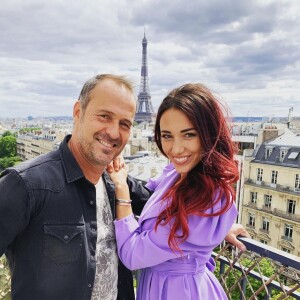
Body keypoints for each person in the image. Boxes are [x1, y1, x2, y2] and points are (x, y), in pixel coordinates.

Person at [0, 74, 248, 300]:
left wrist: (211, 227)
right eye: (105, 116)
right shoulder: (25, 185)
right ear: (78, 112)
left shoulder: (113, 182)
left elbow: (169, 202)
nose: (113, 132)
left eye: (125, 123)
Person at [109, 82, 242, 300]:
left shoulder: (209, 199)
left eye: (188, 135)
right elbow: (152, 195)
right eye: (167, 136)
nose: (176, 148)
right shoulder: (178, 174)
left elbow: (132, 255)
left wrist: (121, 190)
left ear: (207, 134)